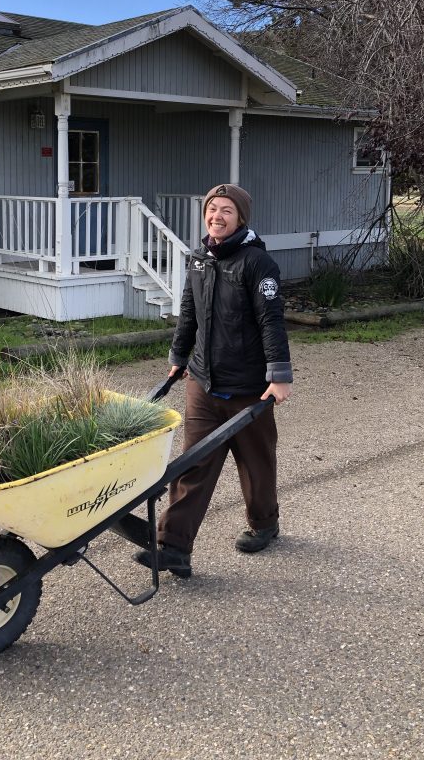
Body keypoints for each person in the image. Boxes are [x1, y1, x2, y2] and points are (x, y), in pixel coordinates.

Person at [135, 183, 292, 579]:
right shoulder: (200, 258)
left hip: (249, 387)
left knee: (255, 465)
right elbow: (189, 312)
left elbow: (271, 321)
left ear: (240, 218)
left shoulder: (258, 264)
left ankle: (264, 523)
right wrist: (178, 358)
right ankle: (173, 547)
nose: (216, 216)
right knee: (193, 465)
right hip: (203, 383)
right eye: (212, 209)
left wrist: (280, 376)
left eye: (226, 210)